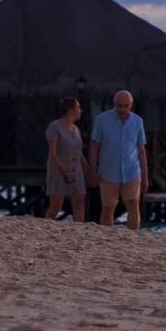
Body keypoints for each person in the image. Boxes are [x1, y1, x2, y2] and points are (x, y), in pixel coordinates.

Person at [89, 90, 148, 230]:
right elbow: (94, 147)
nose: (122, 109)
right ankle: (107, 238)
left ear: (131, 105)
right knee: (108, 206)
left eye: (126, 106)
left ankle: (133, 236)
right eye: (119, 105)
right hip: (108, 171)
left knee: (133, 204)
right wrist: (92, 170)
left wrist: (145, 176)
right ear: (114, 104)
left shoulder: (138, 121)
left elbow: (141, 150)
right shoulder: (102, 119)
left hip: (132, 170)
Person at [44, 97, 90, 222]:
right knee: (56, 206)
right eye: (78, 107)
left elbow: (79, 152)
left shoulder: (76, 129)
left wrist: (87, 170)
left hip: (76, 170)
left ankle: (78, 230)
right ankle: (45, 227)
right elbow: (52, 151)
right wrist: (61, 169)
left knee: (80, 200)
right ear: (71, 110)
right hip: (59, 170)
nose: (81, 110)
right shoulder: (54, 126)